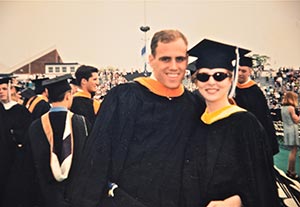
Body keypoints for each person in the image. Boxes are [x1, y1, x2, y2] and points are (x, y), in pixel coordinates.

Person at [69, 29, 205, 207]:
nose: (174, 66)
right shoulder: (125, 97)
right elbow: (98, 155)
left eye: (179, 59)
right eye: (165, 59)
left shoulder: (194, 104)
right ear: (151, 60)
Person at [183, 39, 280, 207]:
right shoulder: (194, 123)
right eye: (203, 76)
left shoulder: (246, 124)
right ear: (196, 81)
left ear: (231, 79)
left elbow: (263, 184)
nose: (211, 82)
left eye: (219, 75)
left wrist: (237, 202)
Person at [26, 74, 91, 207]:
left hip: (45, 196)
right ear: (68, 96)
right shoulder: (81, 123)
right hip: (76, 195)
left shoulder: (35, 126)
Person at [234, 56, 279, 157]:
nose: (240, 73)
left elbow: (261, 117)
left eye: (243, 71)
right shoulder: (232, 88)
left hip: (251, 134)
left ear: (250, 72)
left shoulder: (255, 91)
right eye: (239, 70)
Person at [0, 75, 33, 207]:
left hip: (16, 159)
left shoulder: (21, 111)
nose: (1, 91)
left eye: (3, 88)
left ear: (11, 89)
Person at [280, 91, 300, 180]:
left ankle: (290, 170)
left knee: (292, 151)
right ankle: (292, 171)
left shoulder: (283, 108)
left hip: (286, 129)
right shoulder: (291, 108)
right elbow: (296, 120)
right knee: (294, 151)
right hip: (292, 129)